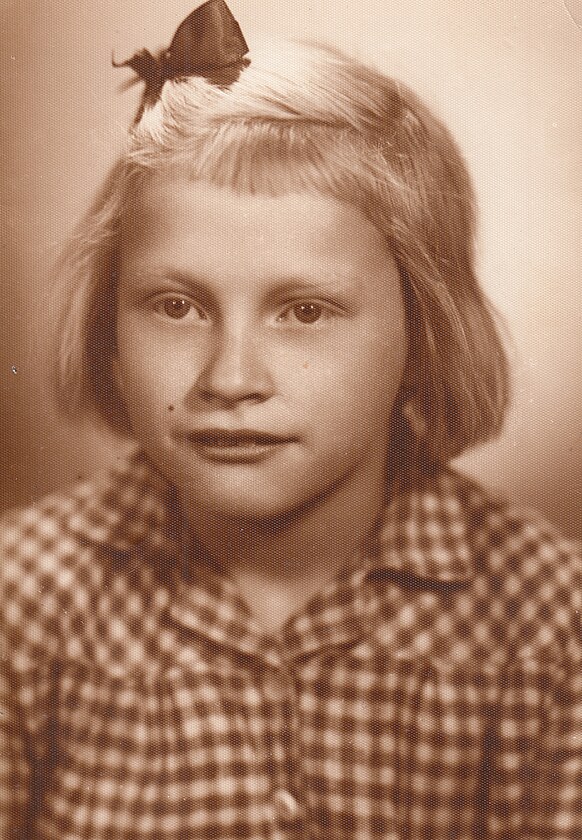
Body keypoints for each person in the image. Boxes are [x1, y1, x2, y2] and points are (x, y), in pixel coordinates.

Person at [1, 2, 580, 837]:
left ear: (423, 336)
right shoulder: (24, 600)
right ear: (109, 331)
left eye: (304, 312)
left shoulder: (551, 624)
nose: (230, 379)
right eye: (176, 305)